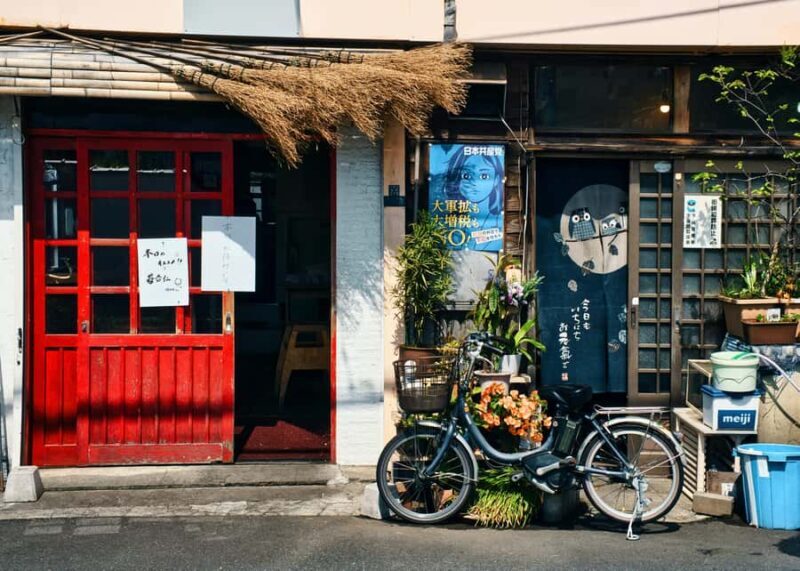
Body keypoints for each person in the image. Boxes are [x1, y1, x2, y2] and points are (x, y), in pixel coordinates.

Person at [440, 146, 504, 250]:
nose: (473, 183)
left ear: (496, 179)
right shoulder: (449, 223)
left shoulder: (499, 224)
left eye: (484, 176)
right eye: (466, 176)